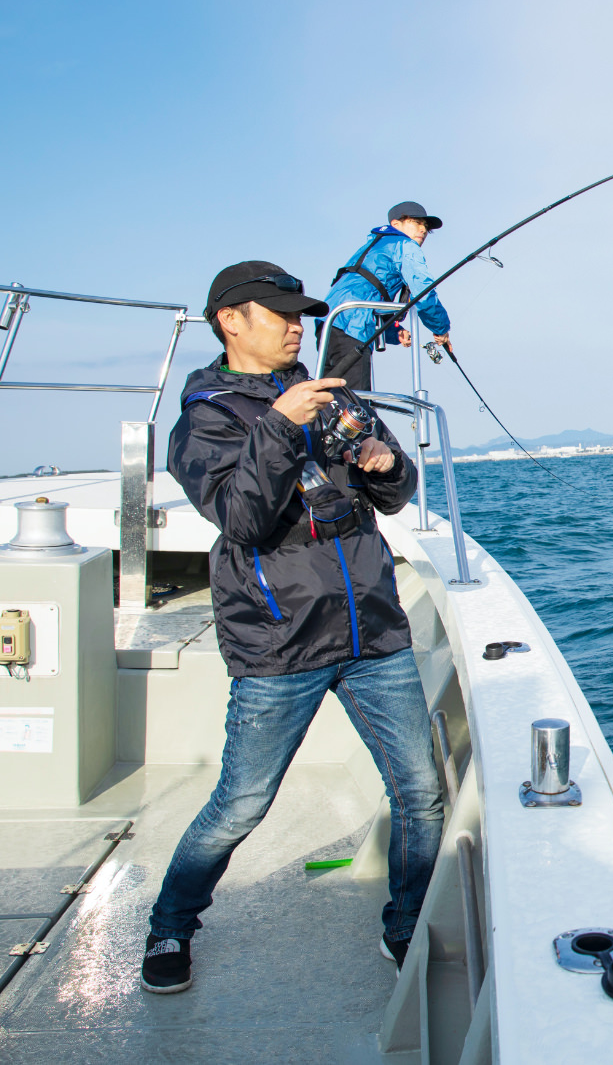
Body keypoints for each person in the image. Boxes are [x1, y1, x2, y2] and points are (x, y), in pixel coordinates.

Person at [140, 260, 444, 994]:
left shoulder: (330, 396)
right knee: (241, 804)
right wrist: (281, 425)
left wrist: (379, 459)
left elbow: (396, 492)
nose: (295, 326)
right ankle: (171, 925)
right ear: (230, 320)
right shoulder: (206, 418)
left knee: (421, 791)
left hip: (373, 628)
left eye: (300, 314)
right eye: (277, 313)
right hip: (280, 643)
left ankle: (403, 926)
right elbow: (242, 518)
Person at [317, 200, 452, 389]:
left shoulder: (374, 246)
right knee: (357, 404)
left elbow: (368, 294)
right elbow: (424, 292)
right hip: (352, 325)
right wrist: (441, 328)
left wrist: (394, 332)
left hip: (329, 323)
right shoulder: (404, 245)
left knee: (329, 401)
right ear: (396, 224)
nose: (423, 230)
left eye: (426, 226)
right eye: (416, 222)